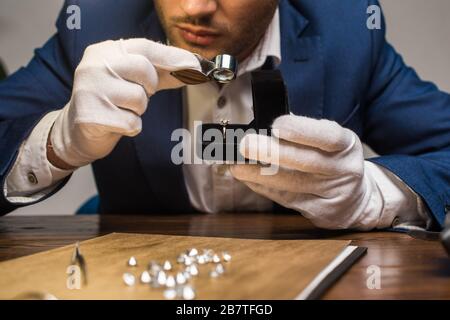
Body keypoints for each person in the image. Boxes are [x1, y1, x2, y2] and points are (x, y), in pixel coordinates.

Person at [1, 0, 449, 231]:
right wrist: (55, 144)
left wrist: (372, 197)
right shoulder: (94, 20)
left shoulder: (348, 30)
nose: (196, 8)